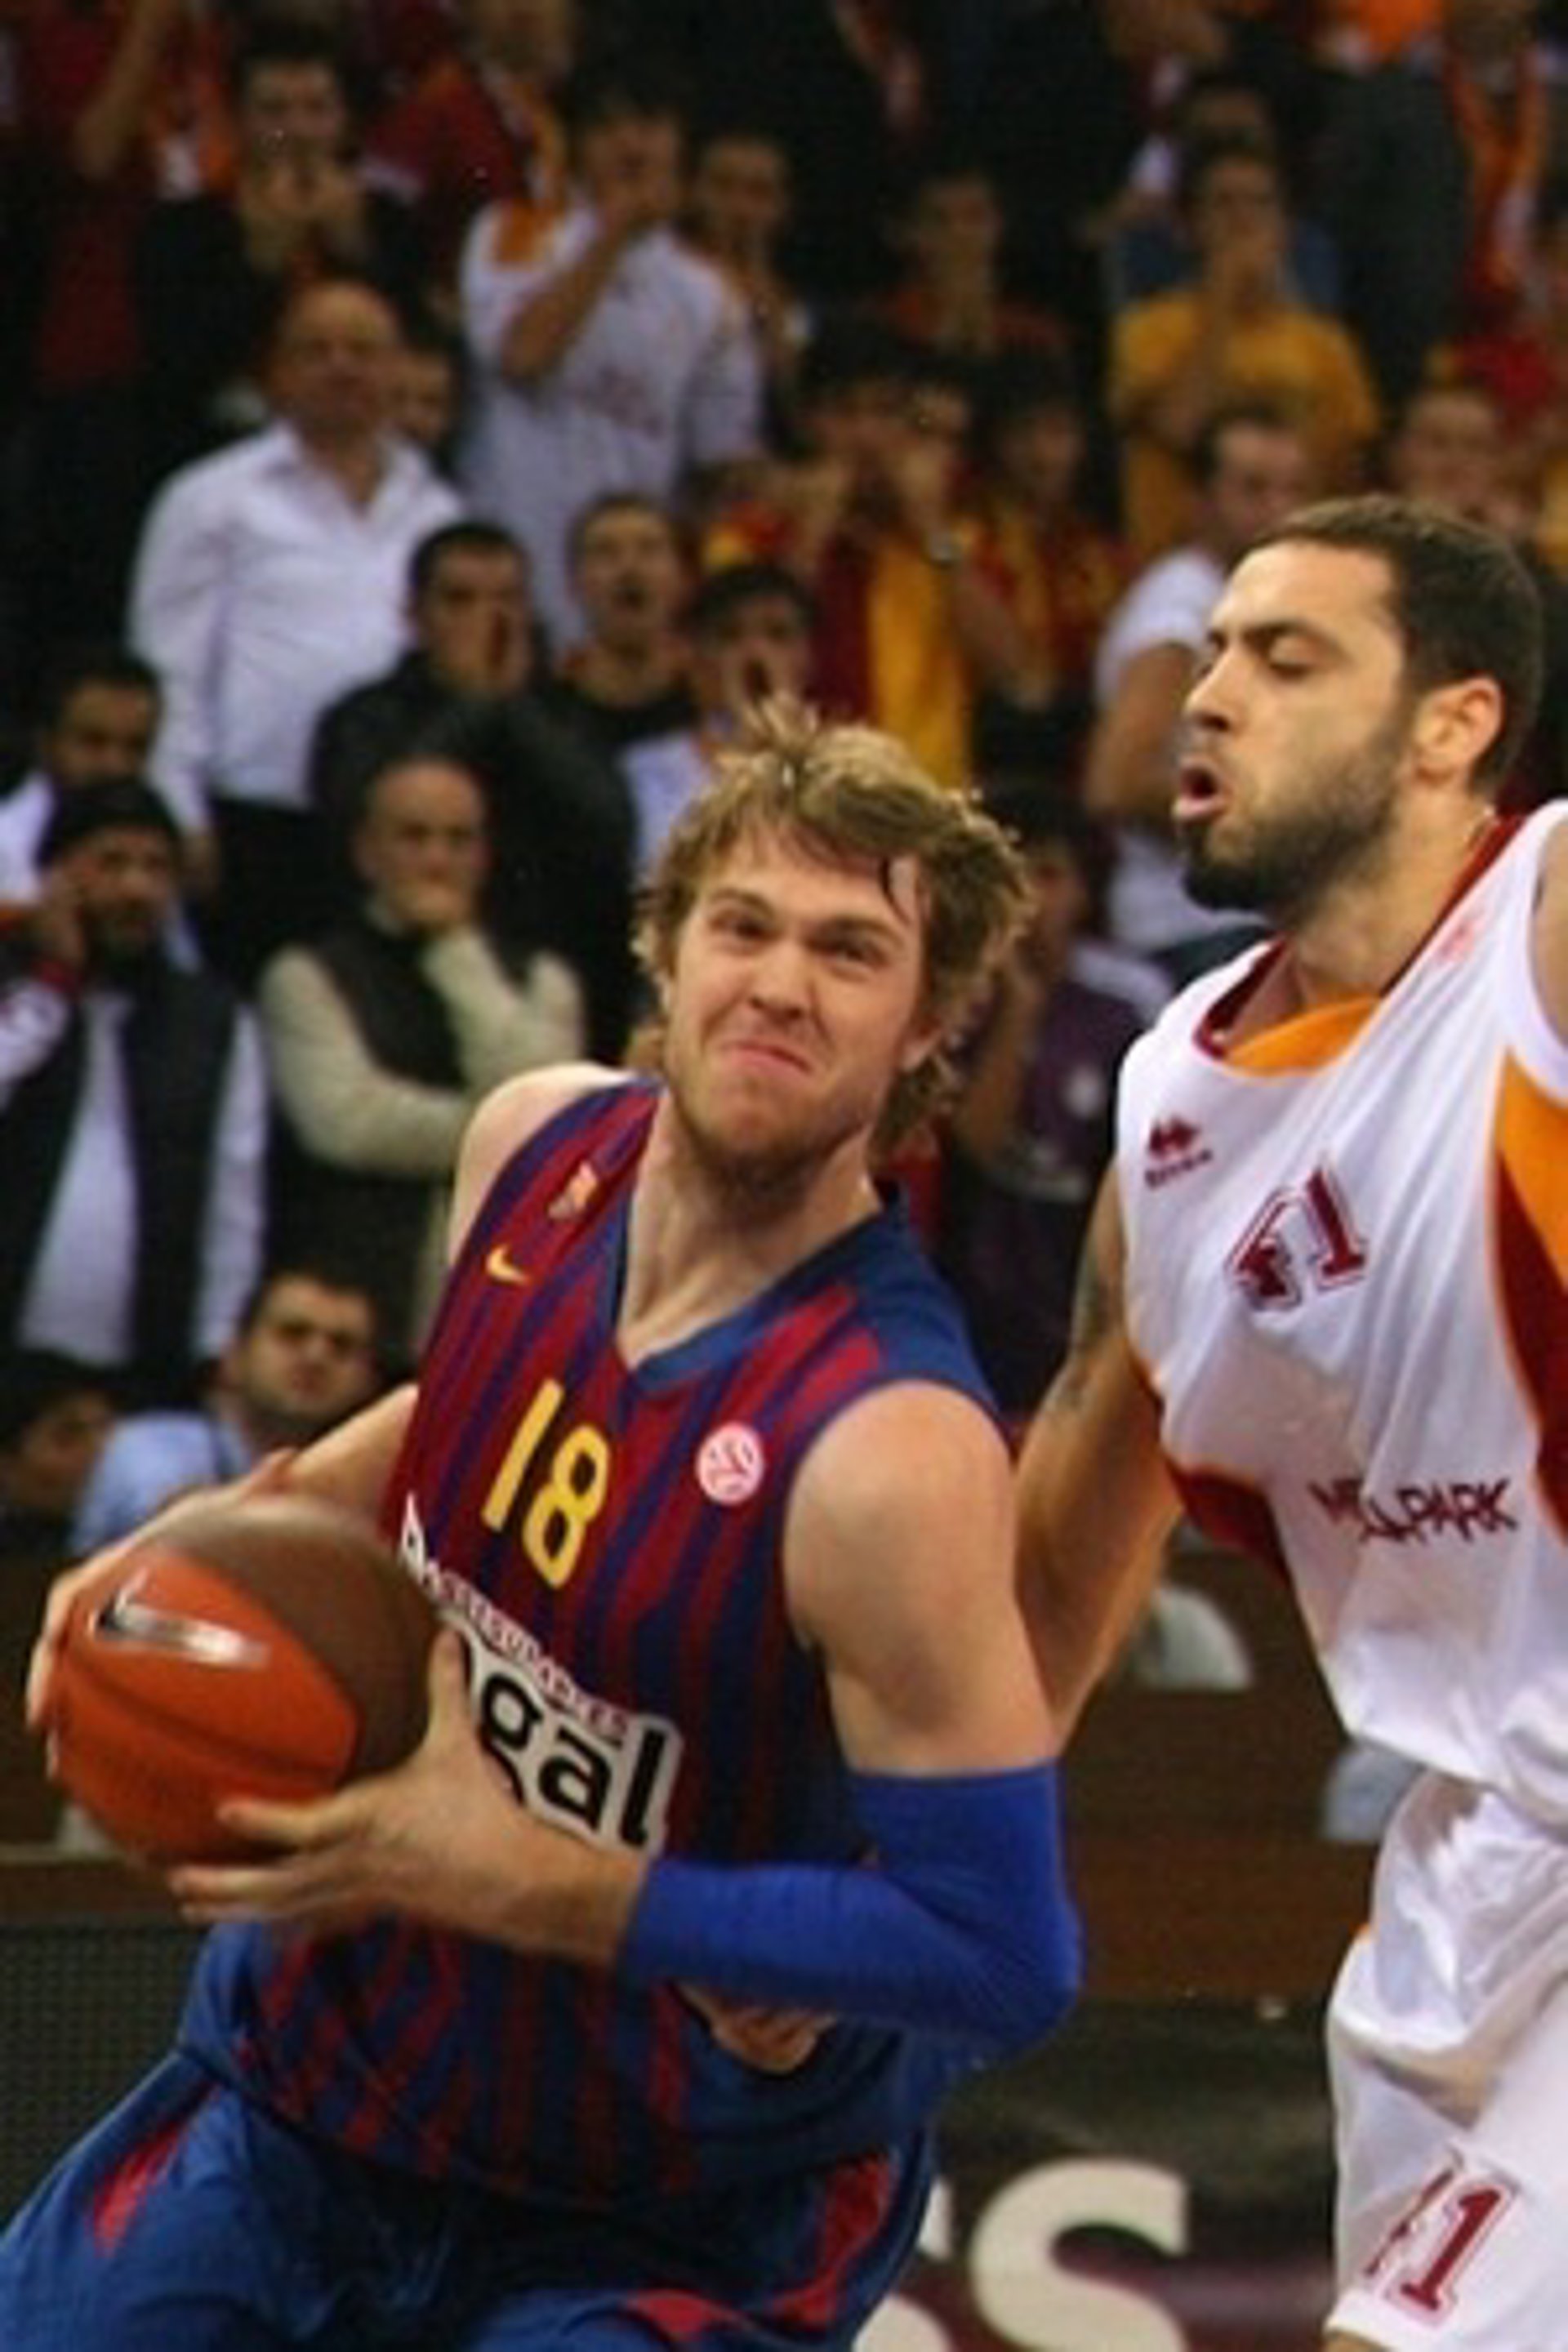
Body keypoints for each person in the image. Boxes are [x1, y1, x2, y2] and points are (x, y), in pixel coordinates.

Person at [2, 696, 1079, 2350]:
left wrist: (542, 1883)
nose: (781, 983)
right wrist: (200, 1541)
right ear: (668, 950)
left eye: (852, 952)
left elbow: (1003, 1955)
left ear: (929, 1022)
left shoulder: (890, 1449)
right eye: (744, 926)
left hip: (666, 2210)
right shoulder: (531, 1147)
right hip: (319, 2089)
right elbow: (457, 1410)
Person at [1014, 492, 1568, 2349]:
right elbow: (1046, 1602)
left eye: (1287, 656)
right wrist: (877, 1895)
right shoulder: (1170, 1118)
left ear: (1452, 725)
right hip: (1460, 1874)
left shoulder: (1541, 930)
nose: (1209, 692)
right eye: (1213, 649)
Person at [129, 272, 463, 983]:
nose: (342, 367)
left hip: (391, 828)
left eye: (363, 350)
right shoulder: (210, 499)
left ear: (399, 367)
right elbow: (169, 670)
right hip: (254, 816)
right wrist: (179, 812)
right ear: (276, 371)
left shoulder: (438, 510)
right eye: (317, 349)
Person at [261, 750, 584, 1366]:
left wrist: (456, 951)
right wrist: (502, 1131)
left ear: (485, 854)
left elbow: (548, 1119)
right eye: (414, 837)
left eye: (458, 840)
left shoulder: (544, 979)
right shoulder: (306, 977)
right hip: (347, 1313)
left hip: (493, 1318)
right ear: (366, 851)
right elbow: (347, 1123)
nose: (437, 860)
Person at [458, 54, 762, 651]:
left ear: (679, 143)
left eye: (649, 125)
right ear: (575, 143)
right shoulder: (513, 232)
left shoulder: (711, 291)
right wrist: (613, 236)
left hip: (628, 599)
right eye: (607, 126)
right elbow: (523, 356)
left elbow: (720, 464)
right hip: (513, 567)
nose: (631, 144)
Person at [310, 517, 638, 1059]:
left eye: (507, 599)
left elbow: (610, 825)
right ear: (414, 616)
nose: (489, 619)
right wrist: (477, 705)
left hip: (545, 978)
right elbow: (361, 824)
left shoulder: (565, 714)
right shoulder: (365, 718)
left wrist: (513, 708)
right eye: (460, 600)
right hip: (391, 986)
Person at [0, 778, 267, 1408]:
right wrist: (52, 983)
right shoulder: (17, 993)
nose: (136, 889)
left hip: (143, 1366)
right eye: (112, 863)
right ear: (55, 875)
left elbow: (234, 1197)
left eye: (155, 867)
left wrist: (216, 1344)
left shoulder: (212, 1021)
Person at [1085, 399, 1311, 983]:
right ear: (1199, 499)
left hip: (1239, 919)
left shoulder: (1251, 600)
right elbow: (1115, 782)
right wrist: (1267, 826)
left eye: (1292, 489)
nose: (1279, 509)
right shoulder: (1179, 610)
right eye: (1253, 488)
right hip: (1189, 929)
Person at [72, 1259, 382, 1553]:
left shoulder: (368, 1483)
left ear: (368, 1380)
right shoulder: (148, 1444)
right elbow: (181, 1531)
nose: (316, 1357)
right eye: (293, 1334)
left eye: (342, 1346)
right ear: (233, 1355)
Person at [0, 643, 163, 906]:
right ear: (44, 743)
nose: (115, 767)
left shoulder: (160, 850)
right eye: (93, 742)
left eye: (136, 747)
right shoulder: (5, 849)